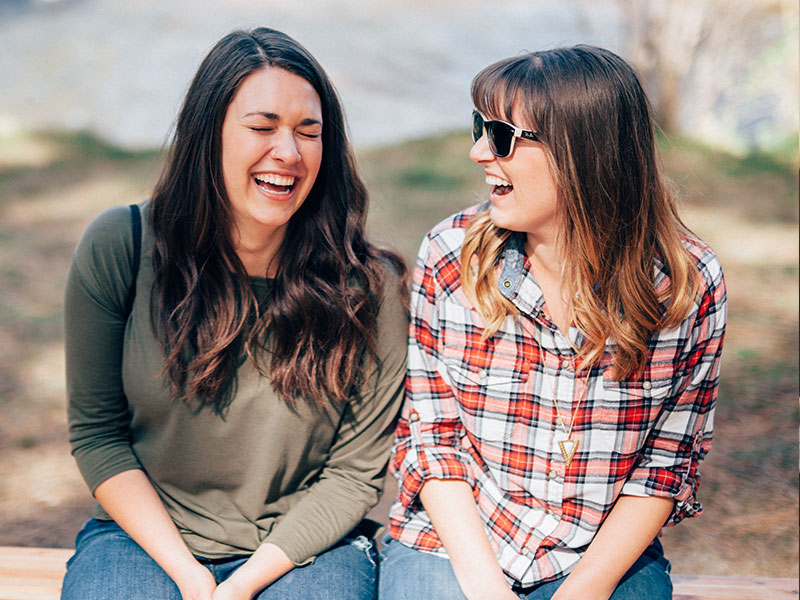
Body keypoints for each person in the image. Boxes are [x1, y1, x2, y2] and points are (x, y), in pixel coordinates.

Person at [62, 27, 408, 600]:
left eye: (309, 132)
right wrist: (190, 576)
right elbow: (98, 435)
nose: (289, 153)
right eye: (262, 127)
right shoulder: (120, 246)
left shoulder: (369, 288)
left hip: (307, 550)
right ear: (208, 135)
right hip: (146, 538)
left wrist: (242, 584)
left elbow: (353, 473)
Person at [380, 45, 726, 600]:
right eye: (479, 127)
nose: (477, 152)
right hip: (455, 543)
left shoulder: (688, 286)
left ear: (581, 154)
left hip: (598, 555)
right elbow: (432, 439)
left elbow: (665, 464)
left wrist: (582, 590)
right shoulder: (450, 256)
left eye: (500, 135)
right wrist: (486, 589)